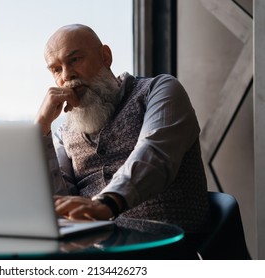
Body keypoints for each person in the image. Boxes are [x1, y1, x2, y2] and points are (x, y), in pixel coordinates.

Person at [35, 24, 210, 236]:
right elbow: (58, 203)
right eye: (56, 69)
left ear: (105, 57)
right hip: (93, 253)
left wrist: (107, 204)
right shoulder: (64, 131)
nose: (67, 75)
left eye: (75, 60)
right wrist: (40, 128)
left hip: (165, 249)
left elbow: (155, 154)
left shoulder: (159, 90)